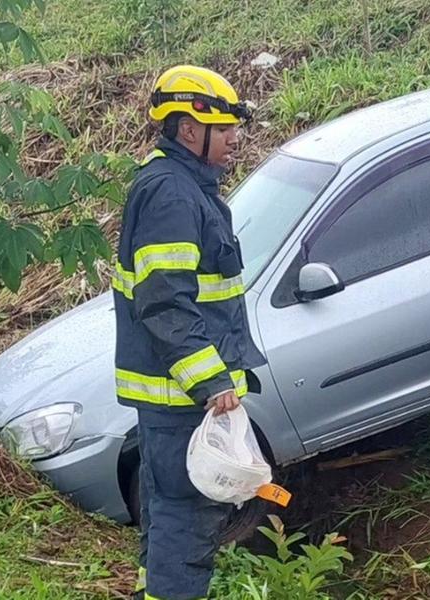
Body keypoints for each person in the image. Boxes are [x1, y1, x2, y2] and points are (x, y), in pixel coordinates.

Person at [114, 65, 265, 600]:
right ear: (188, 129)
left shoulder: (178, 187)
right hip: (184, 399)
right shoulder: (173, 197)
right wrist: (211, 383)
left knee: (165, 508)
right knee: (187, 516)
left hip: (174, 397)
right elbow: (165, 301)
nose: (234, 140)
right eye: (223, 130)